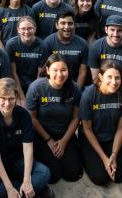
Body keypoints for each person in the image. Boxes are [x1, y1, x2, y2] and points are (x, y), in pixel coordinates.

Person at [25, 54, 84, 184]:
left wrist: (63, 141)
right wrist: (49, 140)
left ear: (68, 70)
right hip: (42, 134)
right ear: (47, 70)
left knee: (73, 174)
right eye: (55, 70)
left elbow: (76, 118)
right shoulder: (36, 87)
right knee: (53, 176)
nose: (60, 74)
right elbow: (32, 118)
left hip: (64, 133)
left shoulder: (74, 88)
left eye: (63, 70)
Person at [79, 60, 122, 186]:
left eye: (117, 78)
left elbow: (121, 127)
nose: (114, 82)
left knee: (119, 176)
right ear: (101, 77)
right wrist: (104, 158)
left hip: (112, 136)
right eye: (109, 77)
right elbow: (87, 128)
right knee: (101, 178)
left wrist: (113, 155)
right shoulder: (89, 94)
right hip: (91, 137)